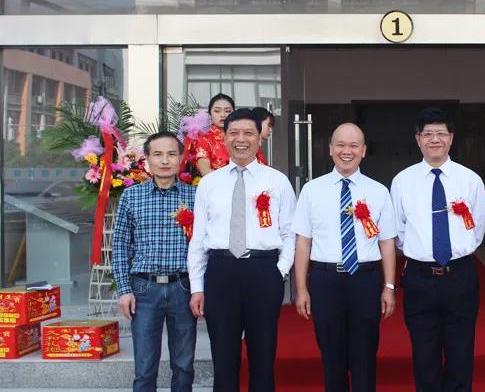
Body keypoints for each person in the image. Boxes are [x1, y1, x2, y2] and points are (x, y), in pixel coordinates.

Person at [187, 108, 296, 392]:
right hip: (221, 271)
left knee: (263, 356)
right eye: (233, 133)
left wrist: (279, 271)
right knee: (224, 358)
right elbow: (198, 239)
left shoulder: (277, 181)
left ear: (260, 137)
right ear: (223, 138)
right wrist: (197, 287)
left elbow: (290, 233)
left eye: (248, 133)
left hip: (263, 271)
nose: (241, 139)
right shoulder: (209, 184)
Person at [293, 123, 397, 392]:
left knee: (365, 358)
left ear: (363, 150)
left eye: (353, 146)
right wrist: (301, 288)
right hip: (325, 280)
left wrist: (389, 286)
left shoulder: (378, 191)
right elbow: (303, 242)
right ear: (330, 149)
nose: (346, 151)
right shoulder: (311, 190)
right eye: (340, 145)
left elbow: (387, 242)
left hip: (365, 280)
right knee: (331, 358)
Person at [390, 107, 485, 392]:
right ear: (418, 139)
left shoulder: (470, 179)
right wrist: (420, 250)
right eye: (428, 134)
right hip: (420, 277)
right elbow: (398, 229)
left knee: (461, 350)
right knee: (424, 352)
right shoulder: (402, 181)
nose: (435, 139)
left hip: (460, 274)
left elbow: (478, 227)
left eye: (441, 133)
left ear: (451, 138)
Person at [111, 131, 197, 392]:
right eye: (158, 154)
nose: (165, 160)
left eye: (171, 154)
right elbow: (119, 245)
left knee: (184, 364)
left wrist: (200, 289)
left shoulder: (196, 196)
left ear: (181, 158)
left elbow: (205, 247)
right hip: (144, 289)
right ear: (147, 159)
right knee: (145, 367)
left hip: (183, 287)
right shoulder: (131, 196)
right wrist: (124, 290)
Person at [195, 93, 236, 176]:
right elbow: (205, 171)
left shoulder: (242, 136)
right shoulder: (204, 139)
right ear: (210, 115)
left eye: (228, 111)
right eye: (217, 111)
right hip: (216, 183)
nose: (223, 115)